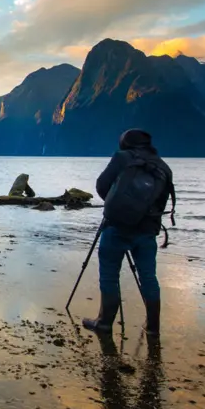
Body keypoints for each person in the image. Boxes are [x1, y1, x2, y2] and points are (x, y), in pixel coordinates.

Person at [83, 128, 174, 336]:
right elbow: (161, 202)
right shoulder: (163, 167)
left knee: (109, 275)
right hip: (147, 231)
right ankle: (152, 327)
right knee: (149, 277)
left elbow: (101, 186)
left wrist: (119, 206)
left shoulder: (123, 158)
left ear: (125, 143)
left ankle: (104, 323)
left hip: (116, 226)